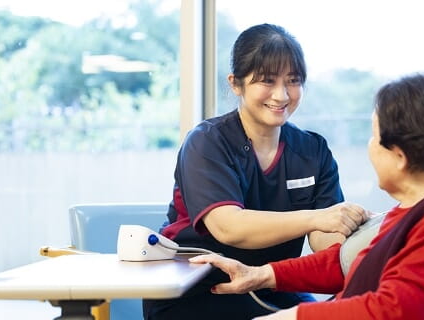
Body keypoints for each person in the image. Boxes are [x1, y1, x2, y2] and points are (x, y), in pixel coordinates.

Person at [190, 72, 424, 320]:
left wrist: (294, 316)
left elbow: (398, 311)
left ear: (400, 156)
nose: (369, 146)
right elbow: (344, 263)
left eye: (375, 136)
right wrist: (259, 275)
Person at [142, 23, 369, 320]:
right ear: (236, 83)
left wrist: (363, 233)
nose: (281, 95)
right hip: (197, 288)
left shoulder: (313, 150)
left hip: (271, 281)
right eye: (267, 81)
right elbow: (228, 226)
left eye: (293, 80)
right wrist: (317, 217)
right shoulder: (207, 141)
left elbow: (324, 239)